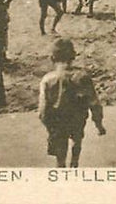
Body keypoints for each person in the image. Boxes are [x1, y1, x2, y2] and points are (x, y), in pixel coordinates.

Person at [38, 38, 106, 168]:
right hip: (77, 118)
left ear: (52, 58)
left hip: (58, 121)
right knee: (77, 140)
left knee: (60, 153)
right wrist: (99, 125)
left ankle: (61, 169)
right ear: (73, 56)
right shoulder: (82, 76)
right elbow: (94, 103)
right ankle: (75, 163)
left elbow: (42, 109)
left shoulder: (47, 79)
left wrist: (49, 127)